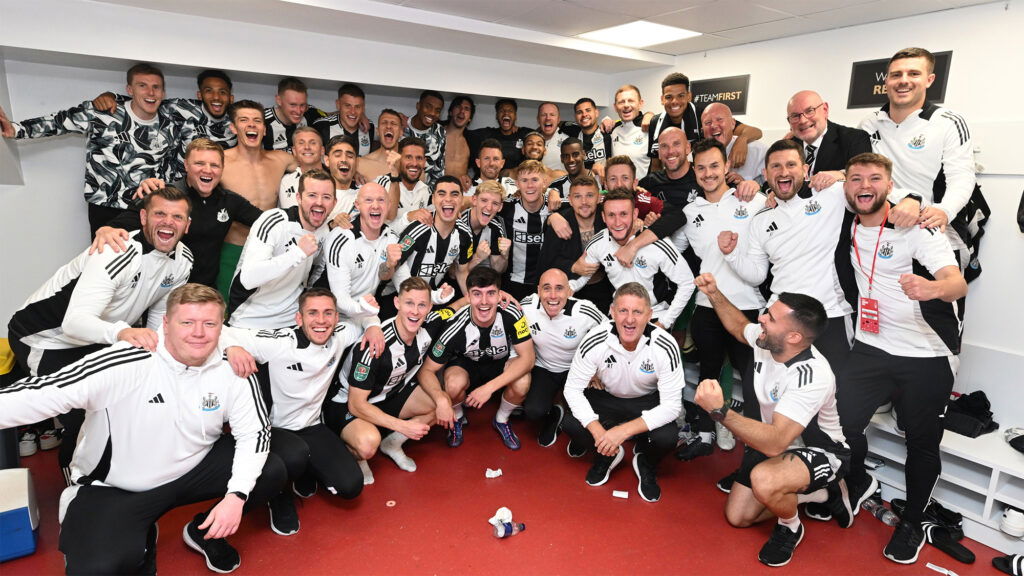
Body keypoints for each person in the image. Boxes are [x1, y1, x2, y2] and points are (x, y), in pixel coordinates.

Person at [0, 284, 286, 575]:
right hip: (121, 488)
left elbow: (254, 433)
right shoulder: (131, 359)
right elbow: (46, 393)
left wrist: (235, 497)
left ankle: (204, 531)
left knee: (273, 467)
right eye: (187, 322)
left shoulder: (232, 367)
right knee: (96, 568)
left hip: (191, 469)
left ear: (220, 327)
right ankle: (134, 534)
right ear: (166, 323)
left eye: (209, 323)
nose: (198, 333)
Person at [9, 186, 194, 481]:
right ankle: (77, 485)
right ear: (143, 217)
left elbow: (158, 316)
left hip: (101, 336)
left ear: (187, 224)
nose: (168, 222)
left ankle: (119, 472)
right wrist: (123, 332)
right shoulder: (116, 250)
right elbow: (75, 322)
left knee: (125, 400)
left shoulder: (184, 261)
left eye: (177, 216)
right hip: (46, 337)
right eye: (159, 214)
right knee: (84, 412)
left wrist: (150, 353)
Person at [836, 153, 968, 564]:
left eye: (875, 178)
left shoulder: (916, 229)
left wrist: (933, 290)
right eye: (856, 178)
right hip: (872, 347)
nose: (864, 185)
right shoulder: (848, 226)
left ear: (889, 186)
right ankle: (857, 483)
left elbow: (957, 282)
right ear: (846, 187)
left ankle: (912, 520)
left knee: (922, 442)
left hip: (925, 354)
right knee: (838, 423)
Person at [692, 275, 851, 567]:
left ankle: (791, 526)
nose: (762, 318)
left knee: (764, 481)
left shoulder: (812, 375)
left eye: (771, 317)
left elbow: (777, 442)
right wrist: (714, 293)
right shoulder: (769, 341)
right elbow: (740, 327)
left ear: (794, 337)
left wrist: (720, 412)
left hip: (820, 452)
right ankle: (818, 496)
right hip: (774, 443)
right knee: (738, 517)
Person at [221, 288, 366, 536]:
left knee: (350, 487)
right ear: (299, 319)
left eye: (328, 313)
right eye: (312, 313)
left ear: (336, 318)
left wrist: (372, 325)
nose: (321, 320)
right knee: (293, 455)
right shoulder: (279, 342)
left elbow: (363, 317)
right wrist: (232, 348)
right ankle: (278, 493)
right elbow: (220, 331)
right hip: (275, 431)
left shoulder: (341, 335)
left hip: (312, 426)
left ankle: (303, 468)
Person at [0, 62, 180, 234]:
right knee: (105, 262)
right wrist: (17, 129)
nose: (150, 92)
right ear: (130, 90)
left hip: (146, 209)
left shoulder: (170, 126)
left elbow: (169, 169)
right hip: (104, 206)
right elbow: (59, 122)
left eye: (156, 87)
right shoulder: (103, 113)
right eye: (142, 85)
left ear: (163, 92)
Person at [671, 139, 767, 461]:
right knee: (708, 375)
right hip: (706, 306)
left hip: (746, 307)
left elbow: (784, 216)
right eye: (701, 167)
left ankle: (757, 448)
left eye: (714, 166)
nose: (708, 173)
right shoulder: (690, 212)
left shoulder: (751, 200)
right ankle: (704, 433)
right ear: (694, 171)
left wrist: (757, 186)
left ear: (727, 167)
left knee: (754, 382)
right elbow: (671, 249)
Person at [859, 47, 983, 277]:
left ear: (929, 79)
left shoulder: (948, 122)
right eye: (896, 75)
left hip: (933, 235)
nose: (903, 81)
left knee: (937, 309)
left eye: (913, 74)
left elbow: (962, 176)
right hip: (883, 236)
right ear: (886, 81)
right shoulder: (869, 124)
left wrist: (944, 211)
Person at [561, 282, 684, 503]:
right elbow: (572, 389)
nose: (629, 320)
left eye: (637, 312)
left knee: (667, 438)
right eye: (623, 311)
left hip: (646, 401)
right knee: (571, 424)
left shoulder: (666, 345)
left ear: (649, 315)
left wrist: (622, 432)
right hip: (607, 398)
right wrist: (600, 432)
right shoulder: (595, 338)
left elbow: (672, 406)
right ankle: (608, 453)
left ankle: (644, 460)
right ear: (612, 312)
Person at [92, 139, 263, 288]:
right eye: (200, 163)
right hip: (161, 289)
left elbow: (268, 221)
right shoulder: (165, 195)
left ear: (222, 169)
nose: (207, 170)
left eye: (214, 165)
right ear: (186, 165)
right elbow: (120, 225)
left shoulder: (230, 201)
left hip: (204, 289)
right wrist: (107, 229)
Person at [326, 278, 449, 481]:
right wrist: (403, 426)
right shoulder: (376, 345)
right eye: (409, 303)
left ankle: (392, 443)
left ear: (429, 307)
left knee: (441, 404)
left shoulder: (429, 326)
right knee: (367, 445)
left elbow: (457, 308)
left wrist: (442, 399)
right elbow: (356, 405)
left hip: (388, 395)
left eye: (421, 305)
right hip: (347, 405)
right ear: (397, 304)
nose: (415, 312)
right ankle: (356, 455)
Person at [417, 267, 534, 450]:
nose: (485, 302)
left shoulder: (512, 313)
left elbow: (528, 358)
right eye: (477, 294)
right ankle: (458, 416)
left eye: (491, 294)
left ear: (499, 295)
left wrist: (488, 388)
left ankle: (501, 420)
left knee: (522, 382)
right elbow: (427, 370)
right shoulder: (454, 326)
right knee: (453, 384)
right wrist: (441, 399)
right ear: (469, 297)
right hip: (467, 364)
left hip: (500, 363)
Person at [569, 189, 696, 330]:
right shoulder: (598, 242)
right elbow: (585, 274)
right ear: (603, 217)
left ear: (635, 214)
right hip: (619, 313)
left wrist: (665, 322)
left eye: (623, 214)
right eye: (611, 215)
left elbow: (687, 282)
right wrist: (569, 288)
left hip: (654, 314)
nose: (617, 222)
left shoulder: (657, 244)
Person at [226, 169, 336, 329]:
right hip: (250, 320)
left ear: (334, 202)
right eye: (312, 195)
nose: (319, 202)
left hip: (292, 322)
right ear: (298, 197)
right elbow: (249, 278)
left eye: (326, 197)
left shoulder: (324, 231)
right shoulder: (274, 220)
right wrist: (298, 253)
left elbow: (317, 273)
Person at [91, 68, 237, 183]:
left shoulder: (239, 118)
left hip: (218, 186)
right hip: (181, 187)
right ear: (199, 95)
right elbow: (148, 101)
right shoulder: (183, 109)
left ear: (231, 98)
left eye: (222, 92)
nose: (216, 97)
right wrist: (112, 96)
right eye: (209, 91)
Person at [218, 100, 298, 298]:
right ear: (234, 128)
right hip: (233, 248)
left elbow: (314, 164)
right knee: (226, 312)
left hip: (268, 251)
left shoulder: (280, 159)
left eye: (257, 121)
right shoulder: (220, 160)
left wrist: (358, 172)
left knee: (264, 308)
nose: (252, 125)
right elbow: (192, 179)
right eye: (244, 120)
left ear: (264, 129)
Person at [520, 269, 607, 446]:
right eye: (547, 288)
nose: (553, 295)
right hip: (544, 367)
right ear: (538, 291)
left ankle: (565, 410)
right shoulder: (527, 305)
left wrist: (597, 368)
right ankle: (555, 411)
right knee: (533, 411)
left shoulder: (584, 311)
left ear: (569, 291)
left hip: (577, 370)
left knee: (591, 412)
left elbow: (611, 333)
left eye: (559, 288)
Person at [647, 72, 762, 170]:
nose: (674, 101)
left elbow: (755, 131)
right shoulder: (655, 122)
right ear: (662, 99)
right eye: (668, 97)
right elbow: (655, 164)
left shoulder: (705, 116)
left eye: (681, 95)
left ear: (689, 96)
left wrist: (742, 140)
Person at [324, 182, 400, 326]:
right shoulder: (341, 238)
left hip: (366, 311)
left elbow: (389, 276)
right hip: (333, 313)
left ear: (389, 205)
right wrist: (367, 315)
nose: (376, 206)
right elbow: (339, 300)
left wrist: (390, 264)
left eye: (381, 200)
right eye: (369, 200)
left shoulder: (391, 237)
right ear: (357, 206)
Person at [538, 175, 613, 313]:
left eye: (590, 195)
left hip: (604, 289)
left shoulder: (608, 219)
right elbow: (545, 263)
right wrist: (572, 266)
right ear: (570, 200)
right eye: (578, 196)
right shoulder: (560, 223)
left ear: (598, 198)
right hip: (569, 292)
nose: (584, 202)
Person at [391, 176, 470, 305]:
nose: (448, 199)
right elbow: (395, 267)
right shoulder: (418, 229)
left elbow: (462, 272)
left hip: (433, 299)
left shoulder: (465, 234)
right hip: (402, 298)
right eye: (441, 194)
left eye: (454, 194)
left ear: (462, 200)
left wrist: (472, 301)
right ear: (433, 199)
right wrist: (432, 297)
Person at [786, 90, 871, 190]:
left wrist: (841, 174)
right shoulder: (788, 146)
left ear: (825, 110)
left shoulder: (854, 139)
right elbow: (770, 182)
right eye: (795, 116)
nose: (803, 120)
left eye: (809, 111)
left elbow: (865, 175)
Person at [499, 160, 552, 300]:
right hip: (513, 283)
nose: (529, 185)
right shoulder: (506, 207)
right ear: (517, 184)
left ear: (545, 182)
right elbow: (481, 202)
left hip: (546, 285)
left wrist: (556, 211)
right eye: (524, 180)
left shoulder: (556, 207)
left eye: (535, 179)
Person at [701, 103, 767, 185]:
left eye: (719, 119)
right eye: (708, 123)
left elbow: (772, 191)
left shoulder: (758, 151)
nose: (713, 125)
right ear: (702, 130)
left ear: (733, 123)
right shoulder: (695, 157)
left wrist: (745, 185)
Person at [466, 98, 534, 173]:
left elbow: (541, 135)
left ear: (515, 116)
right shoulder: (488, 134)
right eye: (501, 111)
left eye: (510, 111)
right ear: (496, 116)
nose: (506, 113)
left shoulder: (525, 133)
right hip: (491, 181)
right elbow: (464, 133)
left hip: (517, 181)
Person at [380, 136, 432, 231]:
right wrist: (408, 217)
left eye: (419, 158)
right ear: (399, 159)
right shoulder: (382, 184)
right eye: (408, 157)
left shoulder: (426, 190)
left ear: (424, 161)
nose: (414, 163)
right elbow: (387, 218)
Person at [458, 180, 511, 274]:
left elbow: (498, 270)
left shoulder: (496, 227)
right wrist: (477, 258)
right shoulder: (458, 224)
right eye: (484, 200)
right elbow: (453, 274)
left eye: (495, 203)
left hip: (482, 283)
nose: (489, 207)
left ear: (500, 207)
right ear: (474, 200)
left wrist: (505, 256)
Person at [262, 77, 327, 152]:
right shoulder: (262, 120)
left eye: (302, 105)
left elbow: (330, 117)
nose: (298, 111)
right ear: (279, 100)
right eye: (293, 105)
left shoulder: (310, 112)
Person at [312, 83, 374, 156]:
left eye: (357, 107)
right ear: (338, 104)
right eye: (348, 106)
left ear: (363, 108)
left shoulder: (369, 126)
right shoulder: (322, 126)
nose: (353, 112)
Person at [403, 90, 446, 188]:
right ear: (418, 106)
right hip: (401, 189)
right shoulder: (401, 126)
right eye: (428, 107)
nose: (432, 113)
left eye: (437, 110)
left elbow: (439, 169)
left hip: (427, 192)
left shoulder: (440, 132)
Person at [609, 85, 652, 179]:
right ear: (615, 107)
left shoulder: (651, 126)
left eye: (631, 101)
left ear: (640, 103)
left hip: (644, 191)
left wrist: (650, 115)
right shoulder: (612, 130)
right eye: (621, 102)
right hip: (618, 192)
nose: (626, 105)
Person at [279, 126, 327, 208]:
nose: (307, 147)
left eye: (313, 143)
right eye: (301, 143)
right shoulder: (284, 181)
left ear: (322, 150)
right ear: (294, 151)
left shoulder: (334, 179)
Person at [465, 138, 518, 204]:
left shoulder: (514, 186)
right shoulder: (467, 189)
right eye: (486, 158)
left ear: (502, 163)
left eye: (496, 159)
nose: (491, 163)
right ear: (478, 162)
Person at [357, 109, 402, 184]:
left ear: (401, 132)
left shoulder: (409, 165)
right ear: (377, 131)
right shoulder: (360, 164)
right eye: (384, 123)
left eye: (394, 124)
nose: (388, 126)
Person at [571, 97, 612, 178]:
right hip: (584, 187)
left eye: (588, 110)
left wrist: (607, 119)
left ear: (596, 113)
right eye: (579, 112)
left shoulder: (609, 132)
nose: (584, 114)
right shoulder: (573, 137)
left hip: (609, 188)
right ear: (575, 117)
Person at [444, 95, 476, 190]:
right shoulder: (436, 133)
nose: (462, 111)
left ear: (470, 118)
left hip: (459, 193)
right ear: (450, 112)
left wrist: (470, 179)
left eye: (466, 109)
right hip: (435, 190)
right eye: (458, 107)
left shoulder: (472, 141)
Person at [536, 102, 571, 171]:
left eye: (552, 115)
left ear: (558, 120)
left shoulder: (568, 141)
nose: (548, 118)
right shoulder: (531, 141)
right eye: (543, 115)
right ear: (538, 119)